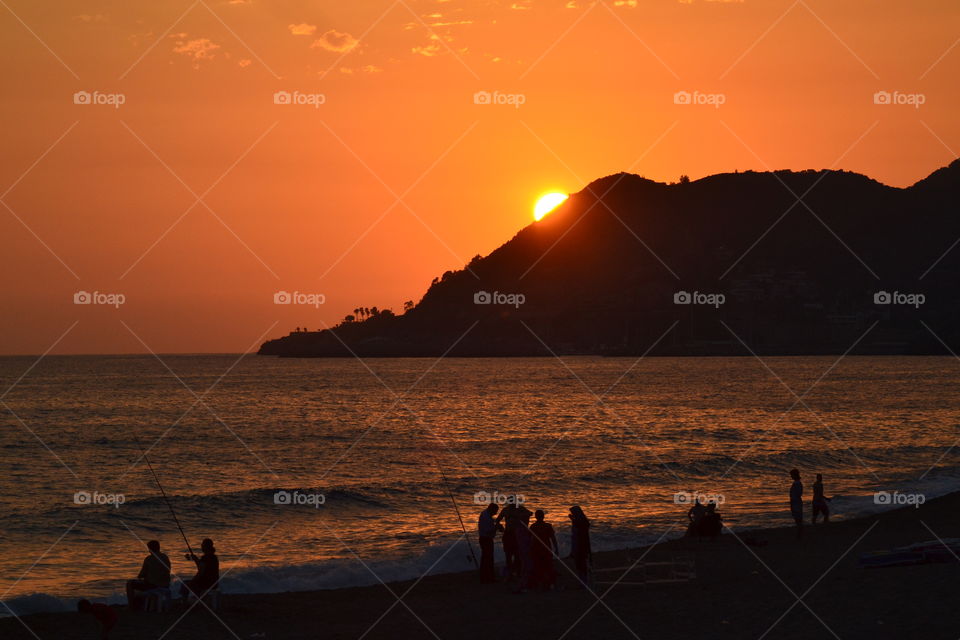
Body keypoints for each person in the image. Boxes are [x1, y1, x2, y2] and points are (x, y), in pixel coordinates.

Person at [125, 540, 171, 610]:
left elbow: (141, 575)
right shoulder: (165, 557)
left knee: (130, 583)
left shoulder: (148, 559)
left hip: (153, 586)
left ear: (150, 549)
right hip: (166, 585)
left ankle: (131, 606)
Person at [529, 509, 558, 591]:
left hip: (536, 549)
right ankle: (549, 583)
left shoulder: (533, 526)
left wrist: (530, 549)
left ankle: (540, 584)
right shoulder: (548, 526)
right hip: (546, 549)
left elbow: (531, 539)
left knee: (538, 567)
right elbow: (553, 538)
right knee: (548, 566)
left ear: (536, 517)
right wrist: (556, 548)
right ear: (543, 516)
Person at [478, 503, 502, 583]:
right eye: (495, 511)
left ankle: (484, 576)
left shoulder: (485, 514)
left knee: (485, 558)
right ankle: (489, 577)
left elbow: (491, 521)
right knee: (488, 559)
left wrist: (496, 523)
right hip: (486, 539)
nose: (496, 513)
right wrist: (496, 527)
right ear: (491, 509)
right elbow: (488, 531)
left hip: (484, 538)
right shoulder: (486, 517)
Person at [568, 505, 592, 586]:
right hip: (581, 544)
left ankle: (583, 581)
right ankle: (583, 581)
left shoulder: (579, 522)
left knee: (580, 564)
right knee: (581, 563)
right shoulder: (582, 521)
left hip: (580, 544)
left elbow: (578, 532)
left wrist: (573, 520)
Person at [789, 469, 804, 538]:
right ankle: (799, 533)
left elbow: (797, 494)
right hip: (796, 502)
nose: (791, 476)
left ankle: (799, 534)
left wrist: (793, 501)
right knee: (798, 518)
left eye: (792, 475)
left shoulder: (797, 483)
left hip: (796, 502)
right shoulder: (797, 483)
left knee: (797, 518)